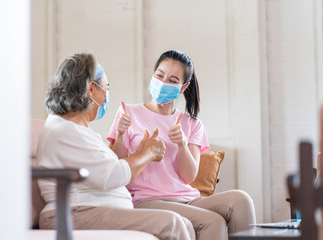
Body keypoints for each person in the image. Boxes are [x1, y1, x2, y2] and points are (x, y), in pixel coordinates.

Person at [37, 52, 195, 240]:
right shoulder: (65, 131)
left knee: (183, 222)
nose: (106, 95)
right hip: (75, 213)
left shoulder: (76, 130)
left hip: (88, 210)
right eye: (106, 87)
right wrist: (148, 153)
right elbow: (113, 175)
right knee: (173, 223)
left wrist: (141, 152)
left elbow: (107, 170)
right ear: (90, 89)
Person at [108, 49, 256, 240]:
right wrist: (120, 135)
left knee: (241, 199)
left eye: (172, 80)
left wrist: (182, 144)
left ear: (183, 87)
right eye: (159, 75)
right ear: (153, 73)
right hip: (147, 200)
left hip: (187, 198)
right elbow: (119, 169)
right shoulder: (128, 113)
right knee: (213, 221)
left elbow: (189, 176)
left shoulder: (192, 124)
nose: (163, 83)